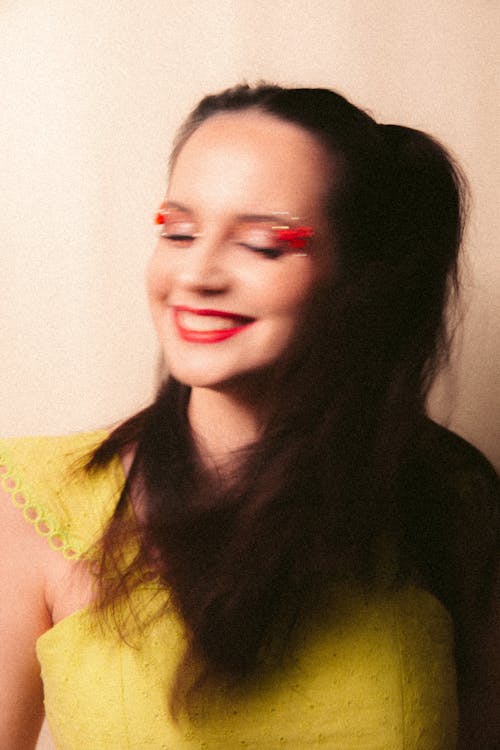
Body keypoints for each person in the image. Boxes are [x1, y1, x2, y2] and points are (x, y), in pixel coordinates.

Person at [0, 83, 498, 750]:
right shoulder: (35, 504)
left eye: (264, 244)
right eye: (178, 231)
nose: (198, 273)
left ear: (356, 276)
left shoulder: (450, 497)